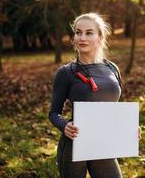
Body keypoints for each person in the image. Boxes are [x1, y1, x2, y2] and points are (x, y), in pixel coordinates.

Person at [49, 13, 139, 178]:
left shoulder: (112, 68)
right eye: (78, 32)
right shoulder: (66, 73)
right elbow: (53, 113)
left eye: (89, 33)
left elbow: (114, 108)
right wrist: (64, 126)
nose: (82, 37)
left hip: (102, 143)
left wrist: (128, 128)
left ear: (100, 37)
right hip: (75, 143)